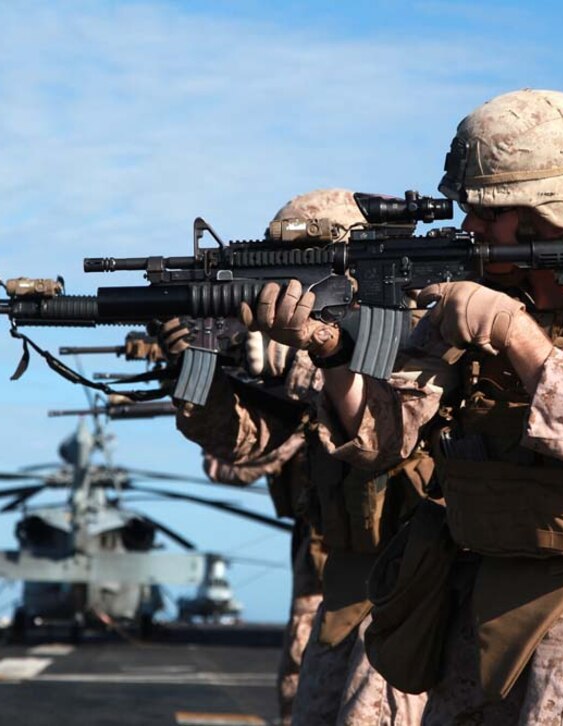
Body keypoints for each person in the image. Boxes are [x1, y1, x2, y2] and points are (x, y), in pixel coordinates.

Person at [247, 89, 563, 724]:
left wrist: (514, 333)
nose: (469, 227)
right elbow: (382, 441)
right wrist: (333, 353)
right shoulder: (479, 291)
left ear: (546, 206)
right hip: (483, 581)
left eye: (486, 211)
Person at [173, 189, 427, 725]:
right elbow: (244, 447)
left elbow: (390, 431)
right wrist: (197, 365)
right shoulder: (310, 347)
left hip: (418, 578)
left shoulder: (418, 324)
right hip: (341, 574)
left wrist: (312, 358)